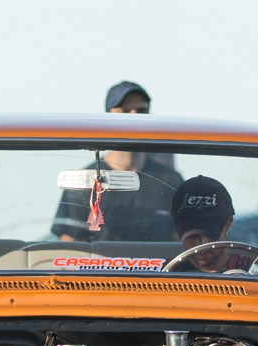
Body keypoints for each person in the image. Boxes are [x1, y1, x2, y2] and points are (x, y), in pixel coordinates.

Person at [50, 82, 182, 244]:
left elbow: (181, 243)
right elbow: (69, 244)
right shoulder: (85, 181)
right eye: (124, 112)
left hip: (156, 262)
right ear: (107, 119)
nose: (134, 117)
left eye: (141, 111)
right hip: (99, 262)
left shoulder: (169, 180)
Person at [170, 176, 254, 273]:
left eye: (211, 233)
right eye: (193, 236)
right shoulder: (162, 274)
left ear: (229, 222)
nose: (203, 243)